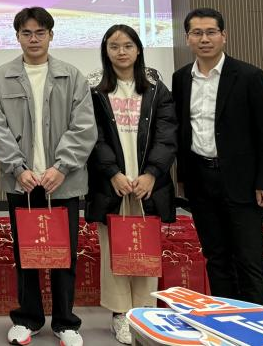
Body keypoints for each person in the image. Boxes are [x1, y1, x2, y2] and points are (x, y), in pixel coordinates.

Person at [0, 6, 96, 346]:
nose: (33, 39)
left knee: (65, 254)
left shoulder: (72, 76)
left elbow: (84, 127)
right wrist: (17, 168)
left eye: (39, 33)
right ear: (17, 36)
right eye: (26, 33)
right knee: (26, 254)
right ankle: (28, 318)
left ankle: (66, 322)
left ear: (51, 35)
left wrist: (61, 167)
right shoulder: (1, 77)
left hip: (62, 182)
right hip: (22, 181)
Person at [172, 7, 263, 305]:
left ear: (224, 36)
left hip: (242, 181)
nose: (204, 39)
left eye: (211, 32)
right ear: (188, 38)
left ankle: (254, 318)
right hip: (200, 180)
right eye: (197, 33)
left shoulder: (249, 76)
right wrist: (183, 178)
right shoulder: (181, 79)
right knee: (216, 256)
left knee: (248, 258)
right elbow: (183, 131)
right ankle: (225, 317)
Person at [84, 24, 176, 344]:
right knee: (115, 253)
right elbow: (92, 136)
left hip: (147, 184)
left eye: (127, 45)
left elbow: (167, 134)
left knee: (145, 252)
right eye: (114, 46)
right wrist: (112, 172)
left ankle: (145, 314)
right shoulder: (95, 89)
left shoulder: (156, 88)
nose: (121, 52)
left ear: (138, 50)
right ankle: (120, 315)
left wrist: (152, 173)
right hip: (113, 185)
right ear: (105, 51)